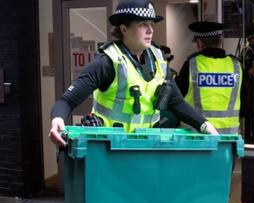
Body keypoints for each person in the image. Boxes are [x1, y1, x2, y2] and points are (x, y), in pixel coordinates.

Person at [49, 0, 218, 146]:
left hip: (145, 147)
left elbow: (176, 102)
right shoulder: (108, 62)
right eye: (143, 24)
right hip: (109, 150)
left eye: (151, 24)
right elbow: (67, 100)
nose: (150, 30)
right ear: (123, 29)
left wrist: (204, 125)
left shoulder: (159, 60)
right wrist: (57, 120)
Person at [175, 21, 243, 134]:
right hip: (228, 137)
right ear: (221, 41)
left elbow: (176, 100)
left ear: (199, 43)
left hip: (196, 137)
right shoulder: (236, 66)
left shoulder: (191, 65)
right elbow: (246, 104)